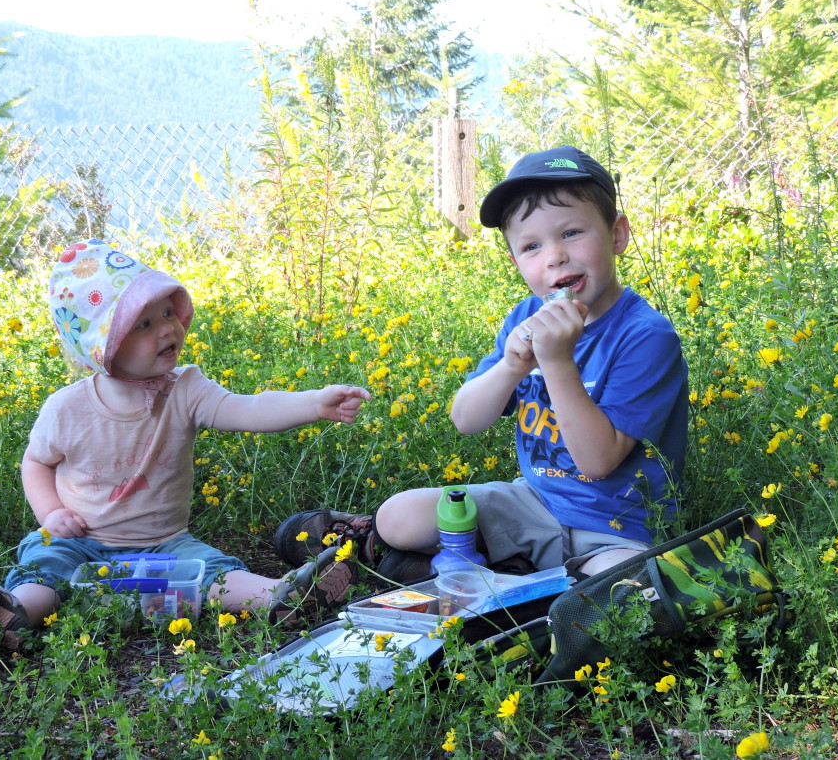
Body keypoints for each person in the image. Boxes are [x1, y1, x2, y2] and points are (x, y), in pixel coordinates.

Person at [274, 146, 689, 584]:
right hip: (533, 502)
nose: (554, 256)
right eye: (531, 246)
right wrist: (511, 365)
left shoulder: (645, 336)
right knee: (399, 515)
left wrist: (556, 363)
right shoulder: (525, 318)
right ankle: (474, 560)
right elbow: (465, 419)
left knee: (627, 583)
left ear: (617, 235)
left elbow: (597, 462)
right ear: (516, 262)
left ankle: (483, 570)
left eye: (571, 233)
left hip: (616, 530)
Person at [0, 240, 371, 649]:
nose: (167, 329)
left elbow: (248, 410)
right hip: (80, 541)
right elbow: (35, 463)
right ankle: (11, 611)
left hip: (166, 542)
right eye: (143, 324)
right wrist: (51, 514)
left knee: (212, 571)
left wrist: (314, 403)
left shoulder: (185, 389)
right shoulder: (66, 409)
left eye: (168, 313)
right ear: (102, 346)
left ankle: (280, 596)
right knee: (45, 569)